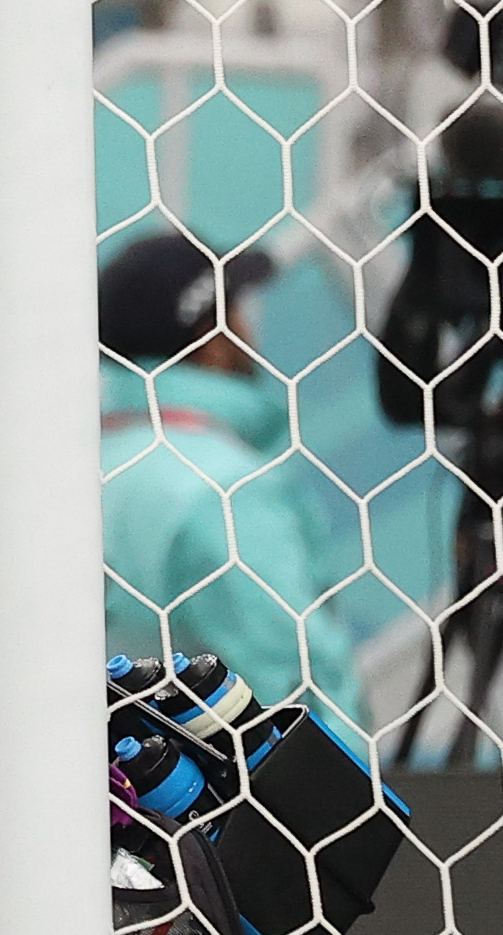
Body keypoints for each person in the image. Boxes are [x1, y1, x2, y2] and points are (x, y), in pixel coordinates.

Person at [97, 233, 369, 738]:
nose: (250, 326)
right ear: (211, 335)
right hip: (221, 801)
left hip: (116, 792)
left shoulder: (81, 468)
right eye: (236, 309)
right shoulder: (223, 489)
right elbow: (300, 688)